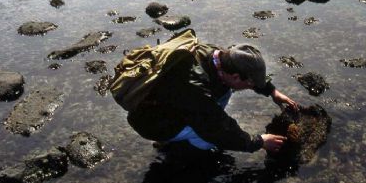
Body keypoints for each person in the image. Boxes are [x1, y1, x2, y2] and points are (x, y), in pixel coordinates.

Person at [126, 38, 299, 154]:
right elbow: (220, 130)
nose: (250, 87)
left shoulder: (216, 55)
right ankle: (176, 144)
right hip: (151, 122)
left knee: (225, 91)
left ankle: (186, 129)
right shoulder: (195, 89)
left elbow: (247, 76)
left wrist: (272, 92)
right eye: (249, 84)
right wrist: (259, 142)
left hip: (170, 102)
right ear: (236, 76)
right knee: (210, 140)